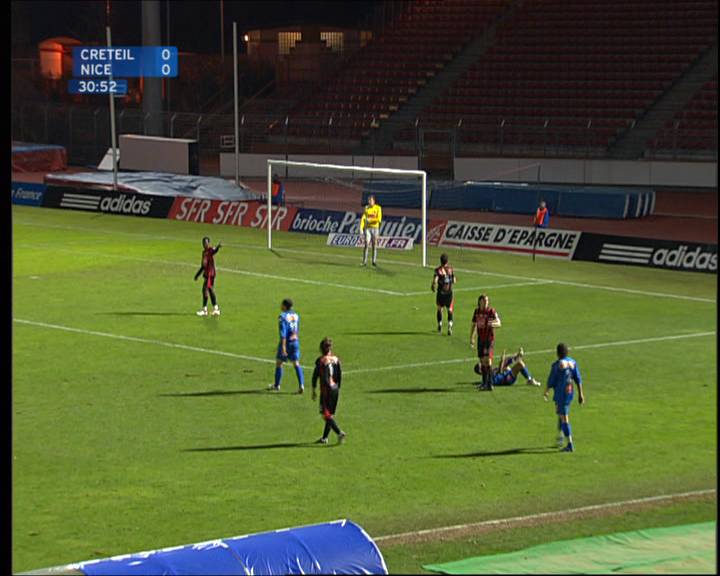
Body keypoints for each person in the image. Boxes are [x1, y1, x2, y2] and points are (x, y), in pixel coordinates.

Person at [544, 342, 584, 452]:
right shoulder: (573, 362)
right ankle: (561, 435)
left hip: (561, 393)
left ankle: (569, 444)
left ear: (557, 353)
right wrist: (581, 394)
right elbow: (578, 379)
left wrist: (546, 391)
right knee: (560, 413)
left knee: (564, 417)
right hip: (569, 392)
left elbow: (551, 380)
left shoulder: (557, 365)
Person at [311, 337, 346, 445]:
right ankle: (325, 438)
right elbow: (339, 375)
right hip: (335, 388)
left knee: (325, 415)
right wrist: (337, 388)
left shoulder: (321, 361)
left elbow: (315, 376)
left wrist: (313, 389)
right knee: (330, 414)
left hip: (326, 390)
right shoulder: (336, 359)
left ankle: (339, 433)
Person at [269, 298, 305, 393]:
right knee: (296, 363)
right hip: (295, 342)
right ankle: (301, 385)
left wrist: (283, 347)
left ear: (284, 306)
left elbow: (283, 334)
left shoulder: (282, 317)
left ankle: (277, 385)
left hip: (287, 342)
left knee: (279, 362)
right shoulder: (296, 315)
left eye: (281, 304)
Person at [470, 294, 501, 390]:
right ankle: (484, 383)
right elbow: (474, 325)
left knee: (488, 360)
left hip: (489, 339)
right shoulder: (477, 312)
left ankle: (490, 384)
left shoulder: (491, 312)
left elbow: (499, 323)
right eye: (484, 301)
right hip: (481, 339)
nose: (486, 303)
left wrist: (491, 323)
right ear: (480, 302)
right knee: (482, 361)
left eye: (487, 301)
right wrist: (472, 337)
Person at [475, 347, 541, 388]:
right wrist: (502, 361)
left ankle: (517, 356)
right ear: (480, 371)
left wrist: (503, 362)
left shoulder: (487, 373)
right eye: (481, 365)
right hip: (506, 379)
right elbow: (499, 372)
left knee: (505, 364)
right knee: (520, 363)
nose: (484, 363)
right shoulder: (488, 375)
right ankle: (530, 380)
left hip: (505, 375)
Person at [194, 236, 221, 316]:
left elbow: (214, 250)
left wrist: (218, 247)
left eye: (206, 243)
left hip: (210, 274)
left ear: (208, 243)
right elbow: (203, 266)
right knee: (210, 290)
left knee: (205, 289)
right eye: (203, 243)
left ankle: (205, 310)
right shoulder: (204, 252)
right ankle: (216, 309)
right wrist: (197, 275)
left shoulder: (210, 250)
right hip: (207, 274)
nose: (204, 244)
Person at [431, 253, 456, 335]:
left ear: (440, 261)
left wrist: (433, 285)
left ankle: (439, 325)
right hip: (449, 294)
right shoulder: (451, 269)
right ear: (447, 261)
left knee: (439, 309)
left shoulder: (438, 270)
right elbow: (454, 281)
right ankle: (449, 327)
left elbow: (435, 279)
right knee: (450, 310)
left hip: (440, 294)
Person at [360, 194, 382, 267]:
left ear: (374, 201)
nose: (369, 202)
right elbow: (363, 218)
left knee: (374, 245)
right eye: (368, 200)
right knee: (366, 243)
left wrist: (370, 220)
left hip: (375, 228)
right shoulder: (366, 208)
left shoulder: (378, 208)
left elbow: (379, 219)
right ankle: (364, 262)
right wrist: (361, 228)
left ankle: (374, 261)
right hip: (367, 228)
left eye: (371, 200)